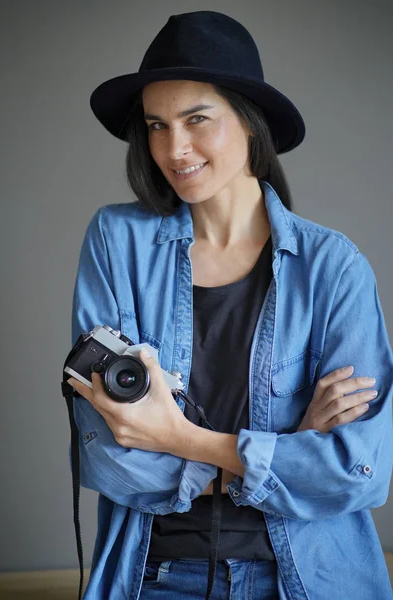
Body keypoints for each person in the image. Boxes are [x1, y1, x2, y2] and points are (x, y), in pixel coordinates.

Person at [67, 10, 393, 600]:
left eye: (197, 119)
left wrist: (180, 439)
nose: (174, 147)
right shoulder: (117, 243)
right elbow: (109, 456)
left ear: (249, 122)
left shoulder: (333, 267)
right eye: (157, 125)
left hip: (310, 581)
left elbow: (357, 470)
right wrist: (289, 446)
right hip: (155, 575)